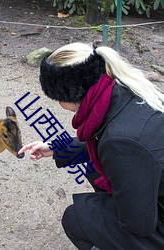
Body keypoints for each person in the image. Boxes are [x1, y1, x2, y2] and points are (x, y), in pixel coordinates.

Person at [18, 42, 164, 250]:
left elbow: (139, 224)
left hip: (155, 221)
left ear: (69, 93)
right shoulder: (123, 88)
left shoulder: (121, 142)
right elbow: (101, 138)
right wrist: (57, 148)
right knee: (94, 170)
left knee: (76, 218)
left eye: (57, 97)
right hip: (155, 188)